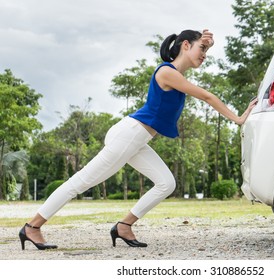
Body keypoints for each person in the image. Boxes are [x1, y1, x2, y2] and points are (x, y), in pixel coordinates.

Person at [19, 29, 258, 250]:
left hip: (137, 138)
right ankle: (32, 227)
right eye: (201, 49)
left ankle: (124, 226)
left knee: (166, 183)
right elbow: (206, 96)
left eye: (206, 51)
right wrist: (238, 118)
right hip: (129, 134)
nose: (204, 55)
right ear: (185, 45)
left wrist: (207, 44)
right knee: (81, 182)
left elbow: (200, 73)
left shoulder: (177, 75)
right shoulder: (167, 72)